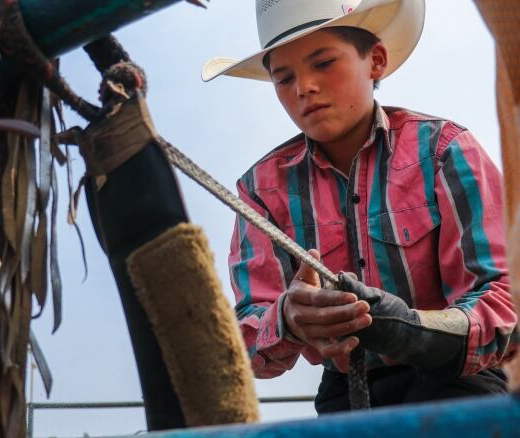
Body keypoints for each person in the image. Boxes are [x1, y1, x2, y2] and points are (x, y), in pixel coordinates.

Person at [203, 0, 519, 413]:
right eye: (284, 78)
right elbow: (243, 336)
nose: (303, 88)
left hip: (458, 379)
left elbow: (504, 298)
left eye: (324, 63)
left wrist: (415, 331)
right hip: (344, 394)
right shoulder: (261, 190)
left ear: (377, 61)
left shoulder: (443, 151)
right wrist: (289, 317)